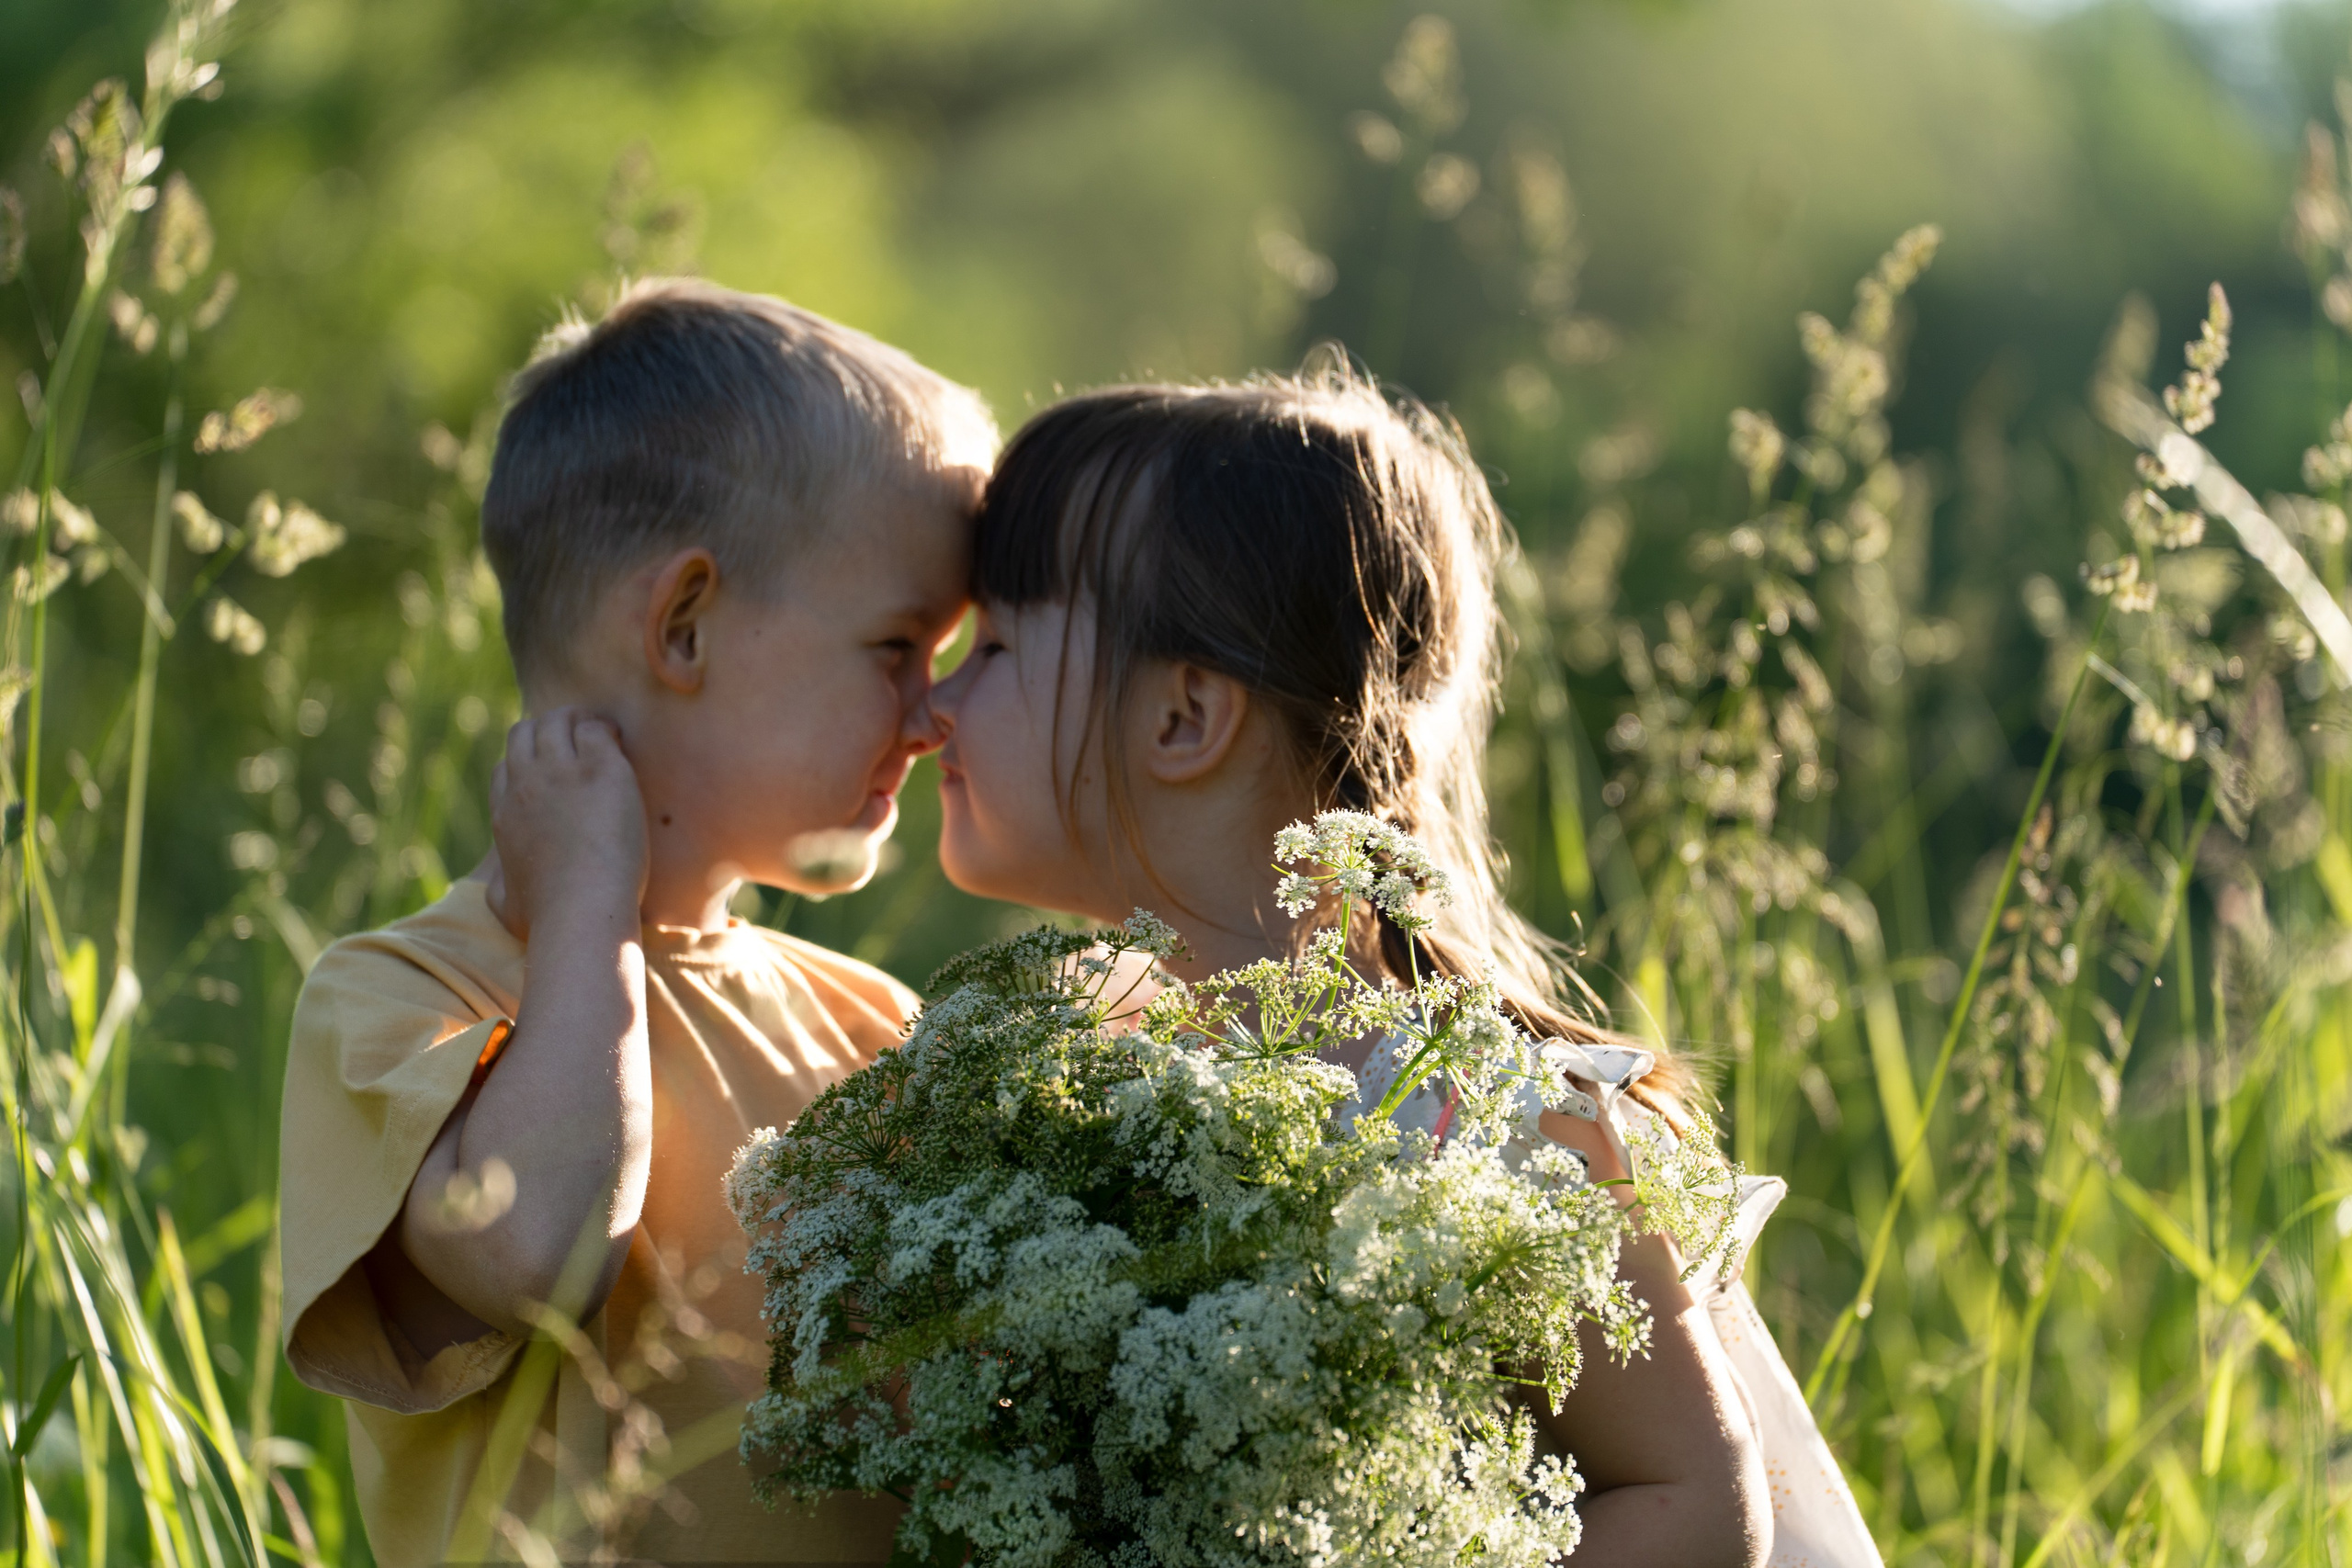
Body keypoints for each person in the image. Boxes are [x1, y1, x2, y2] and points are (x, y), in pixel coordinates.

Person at [922, 367, 1881, 1567]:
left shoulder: (1474, 1114)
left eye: (993, 645)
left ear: (1182, 717)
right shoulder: (1091, 1059)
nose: (935, 701)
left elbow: (1696, 1500)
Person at [278, 278, 992, 1565]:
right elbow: (538, 1259)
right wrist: (588, 909)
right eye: (898, 647)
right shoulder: (400, 999)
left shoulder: (875, 1023)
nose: (933, 715)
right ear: (685, 624)